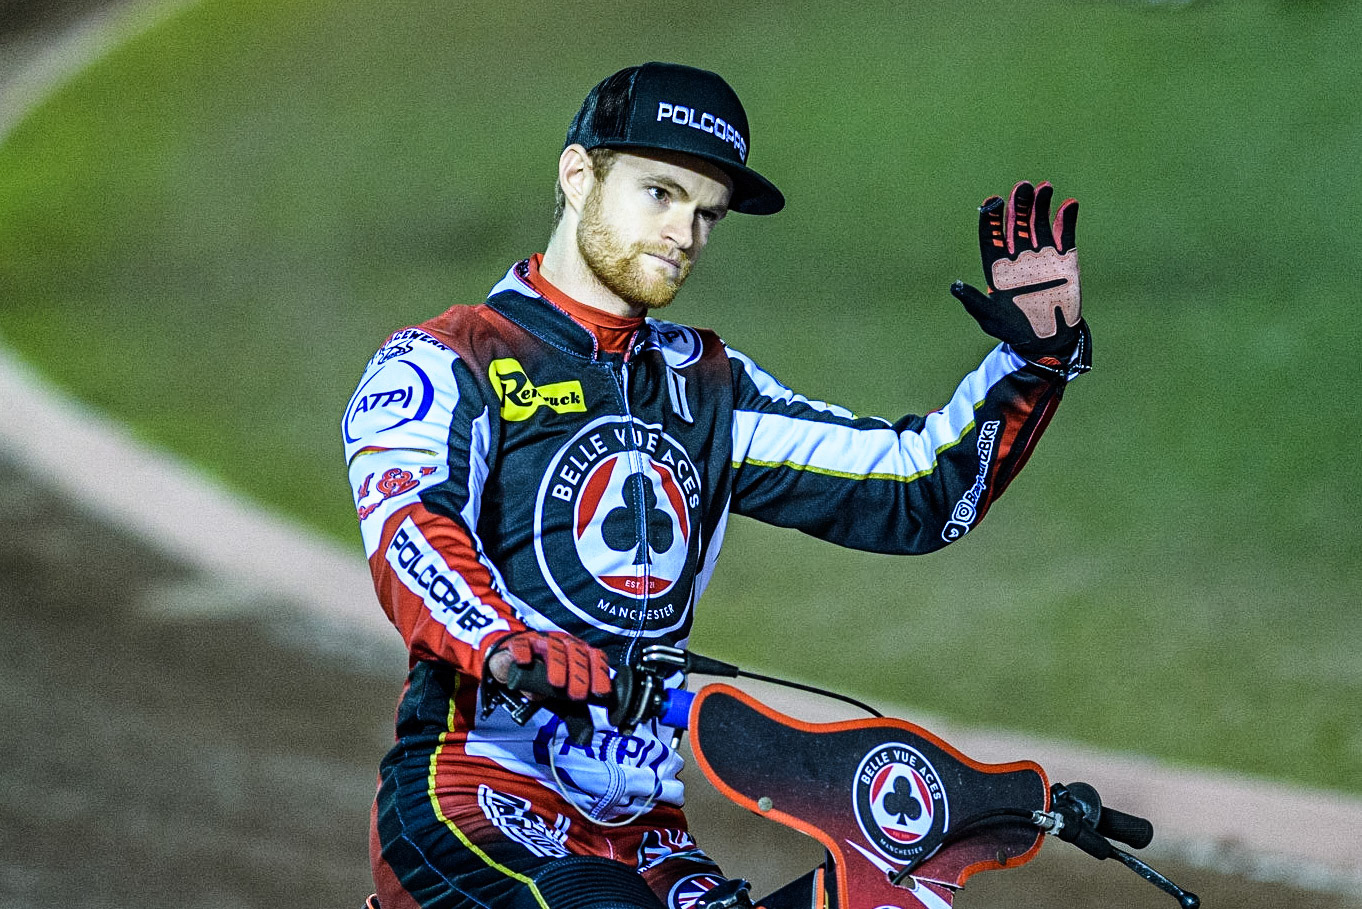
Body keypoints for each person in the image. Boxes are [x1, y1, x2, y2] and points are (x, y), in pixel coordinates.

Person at [343, 61, 1089, 909]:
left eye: (707, 213)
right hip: (472, 799)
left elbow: (914, 490)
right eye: (659, 193)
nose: (684, 234)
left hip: (649, 835)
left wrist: (1035, 359)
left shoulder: (711, 387)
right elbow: (410, 533)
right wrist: (508, 642)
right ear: (577, 173)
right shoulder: (446, 359)